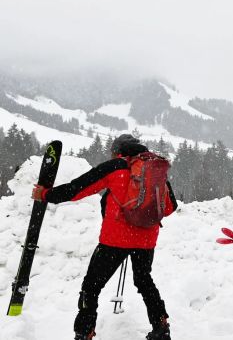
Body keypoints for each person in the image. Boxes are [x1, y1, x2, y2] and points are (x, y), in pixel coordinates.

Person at [32, 134, 177, 340]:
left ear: (118, 151)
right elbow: (171, 207)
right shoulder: (154, 169)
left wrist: (46, 194)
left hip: (115, 240)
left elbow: (77, 188)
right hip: (146, 240)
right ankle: (161, 326)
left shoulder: (115, 166)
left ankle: (84, 332)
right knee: (144, 281)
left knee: (91, 287)